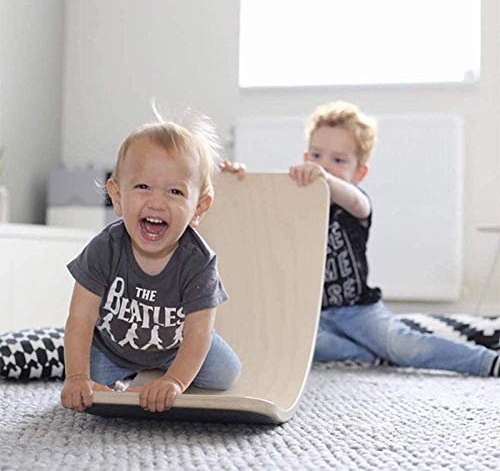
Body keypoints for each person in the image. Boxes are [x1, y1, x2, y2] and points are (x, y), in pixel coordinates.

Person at [226, 101, 500, 378]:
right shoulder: (295, 202)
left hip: (358, 310)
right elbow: (257, 207)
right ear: (305, 157)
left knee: (402, 345)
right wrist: (237, 180)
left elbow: (358, 202)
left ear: (359, 174)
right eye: (317, 156)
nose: (324, 166)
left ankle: (485, 361)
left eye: (339, 160)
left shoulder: (354, 204)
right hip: (313, 313)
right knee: (294, 344)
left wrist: (326, 180)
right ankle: (368, 356)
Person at [61, 114, 242, 413]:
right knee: (85, 383)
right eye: (143, 186)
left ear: (198, 209)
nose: (157, 202)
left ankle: (160, 373)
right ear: (118, 197)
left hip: (175, 348)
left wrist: (175, 381)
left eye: (175, 192)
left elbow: (198, 332)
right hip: (113, 349)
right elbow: (80, 318)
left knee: (227, 372)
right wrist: (76, 377)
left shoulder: (199, 262)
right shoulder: (104, 249)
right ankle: (125, 373)